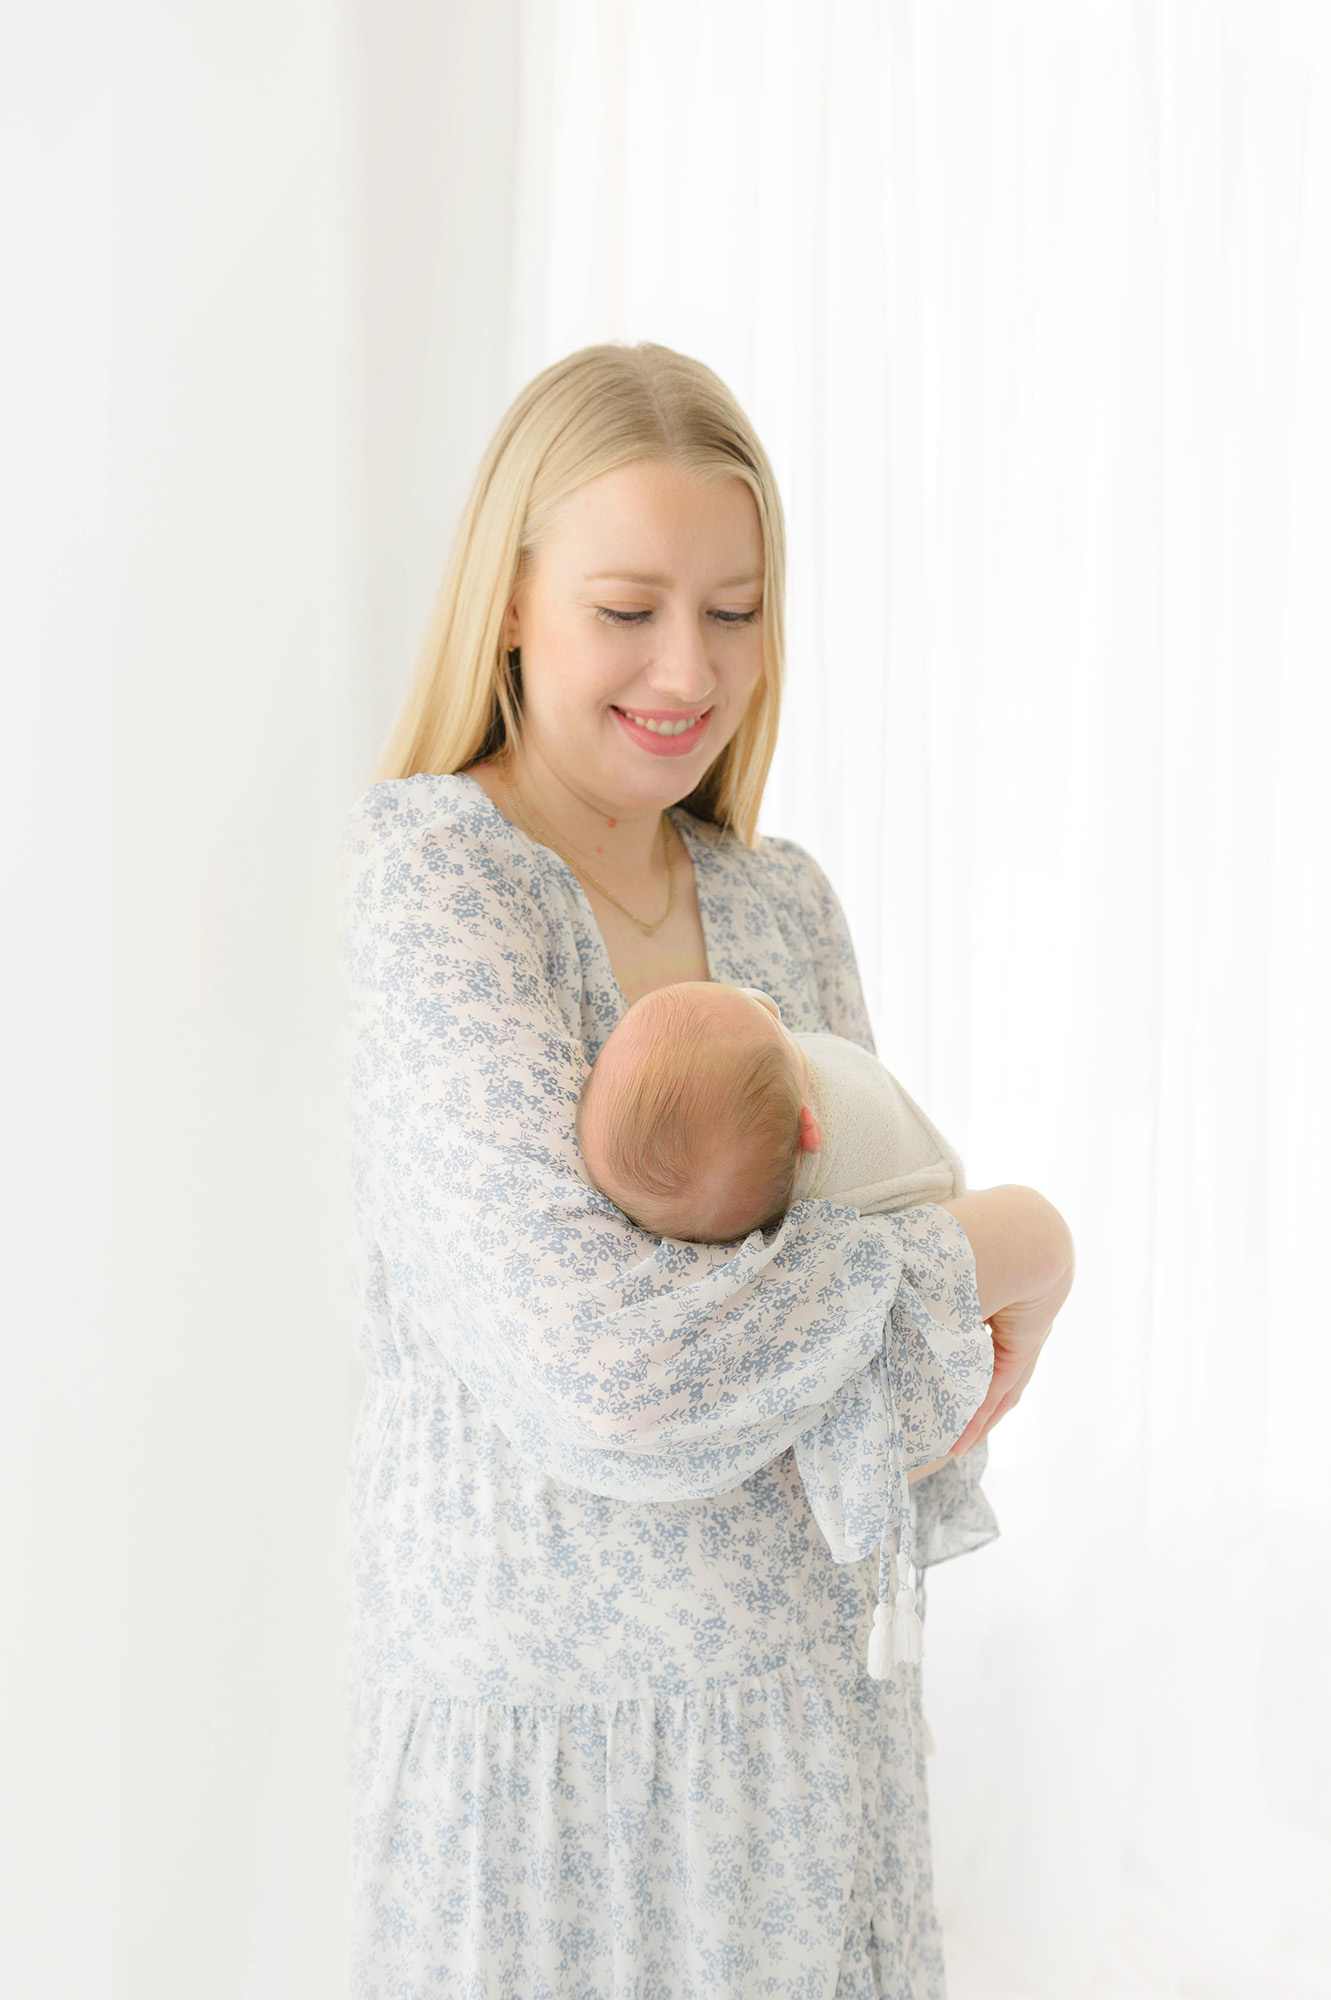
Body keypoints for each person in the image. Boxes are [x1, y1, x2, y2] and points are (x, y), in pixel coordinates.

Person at [342, 340, 1075, 1999]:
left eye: (734, 611)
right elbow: (610, 1378)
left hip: (815, 1758)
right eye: (630, 607)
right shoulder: (431, 892)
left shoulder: (779, 903)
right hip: (550, 1803)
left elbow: (882, 1374)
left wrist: (944, 1283)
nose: (690, 666)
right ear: (510, 601)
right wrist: (1019, 1241)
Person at [574, 978, 968, 1244]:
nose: (769, 1006)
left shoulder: (732, 1198)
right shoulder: (852, 1132)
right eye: (776, 1028)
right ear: (807, 1129)